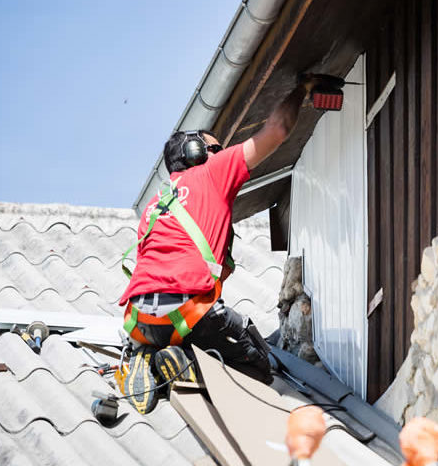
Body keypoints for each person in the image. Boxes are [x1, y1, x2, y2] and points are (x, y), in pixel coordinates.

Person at [118, 78, 316, 414]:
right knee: (258, 367)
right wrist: (302, 90)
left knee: (187, 329)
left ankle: (148, 358)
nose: (224, 154)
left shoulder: (156, 205)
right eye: (217, 148)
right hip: (185, 313)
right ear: (200, 154)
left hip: (138, 320)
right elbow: (278, 129)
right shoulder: (213, 171)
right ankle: (185, 367)